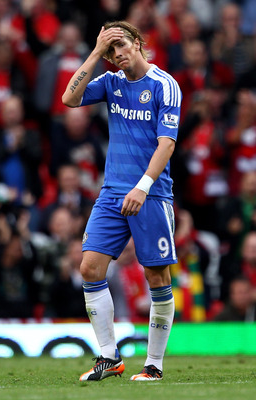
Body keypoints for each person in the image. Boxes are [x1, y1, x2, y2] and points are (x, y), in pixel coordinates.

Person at [62, 21, 182, 381]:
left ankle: (155, 365)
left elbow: (167, 143)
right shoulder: (111, 82)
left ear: (138, 44)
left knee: (156, 274)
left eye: (122, 46)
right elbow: (69, 99)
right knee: (90, 268)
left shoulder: (165, 85)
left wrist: (143, 186)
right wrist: (96, 52)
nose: (118, 55)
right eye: (111, 51)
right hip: (112, 192)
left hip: (151, 193)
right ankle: (109, 358)